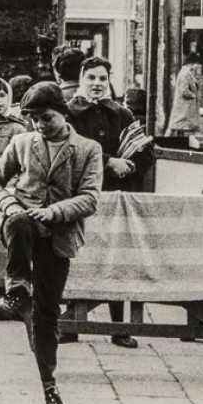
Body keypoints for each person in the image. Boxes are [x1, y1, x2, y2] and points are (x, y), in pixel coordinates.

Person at [0, 81, 102, 404]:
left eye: (46, 118)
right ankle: (17, 291)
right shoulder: (21, 143)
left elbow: (90, 197)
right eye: (33, 119)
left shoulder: (88, 149)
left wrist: (54, 212)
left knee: (47, 314)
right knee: (19, 222)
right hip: (22, 230)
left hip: (59, 237)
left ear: (62, 113)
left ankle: (47, 386)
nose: (40, 125)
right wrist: (9, 205)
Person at [66, 56, 155, 348]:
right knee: (80, 257)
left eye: (102, 78)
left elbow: (146, 151)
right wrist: (108, 162)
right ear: (81, 79)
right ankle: (71, 323)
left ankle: (119, 327)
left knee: (116, 258)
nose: (97, 84)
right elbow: (69, 149)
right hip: (82, 197)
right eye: (91, 77)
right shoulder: (70, 113)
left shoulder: (122, 114)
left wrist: (129, 166)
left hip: (116, 198)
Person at [166, 52, 203, 136]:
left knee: (173, 127)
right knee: (194, 128)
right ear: (192, 62)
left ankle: (163, 141)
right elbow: (184, 91)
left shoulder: (186, 72)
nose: (197, 66)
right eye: (196, 64)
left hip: (185, 108)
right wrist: (194, 96)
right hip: (185, 108)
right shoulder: (185, 73)